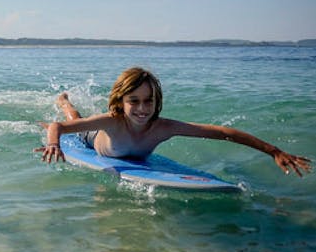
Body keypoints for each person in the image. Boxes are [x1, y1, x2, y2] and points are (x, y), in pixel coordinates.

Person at [36, 67, 311, 177]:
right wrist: (53, 143)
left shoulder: (164, 127)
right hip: (94, 138)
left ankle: (67, 104)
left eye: (149, 101)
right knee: (75, 119)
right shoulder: (112, 120)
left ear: (157, 102)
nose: (142, 108)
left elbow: (223, 133)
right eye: (134, 101)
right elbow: (56, 128)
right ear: (121, 102)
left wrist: (273, 151)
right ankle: (64, 101)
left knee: (77, 119)